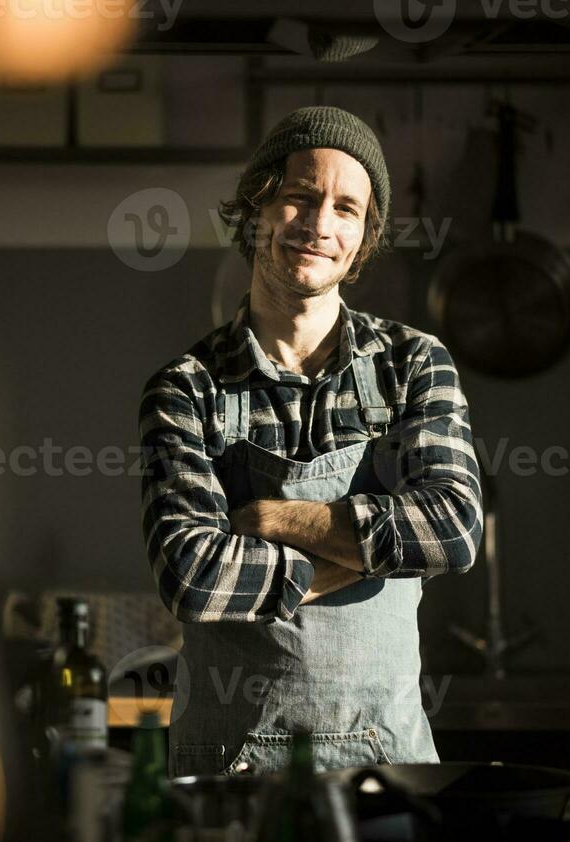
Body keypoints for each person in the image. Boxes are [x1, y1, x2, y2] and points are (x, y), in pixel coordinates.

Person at [139, 106, 483, 775]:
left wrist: (277, 520)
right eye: (300, 198)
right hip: (229, 772)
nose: (320, 226)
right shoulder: (189, 389)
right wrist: (371, 559)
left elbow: (454, 527)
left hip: (391, 765)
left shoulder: (412, 364)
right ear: (255, 211)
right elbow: (191, 575)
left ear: (364, 235)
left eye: (346, 208)